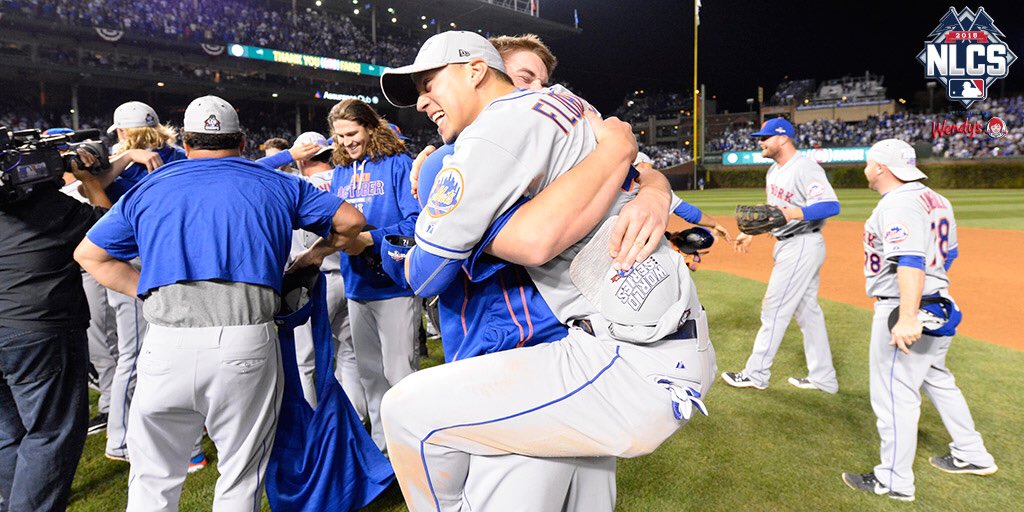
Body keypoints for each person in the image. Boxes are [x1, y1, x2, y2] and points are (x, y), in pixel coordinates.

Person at [376, 31, 716, 511]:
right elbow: (631, 164)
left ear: (477, 71)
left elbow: (440, 273)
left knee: (407, 412)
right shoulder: (575, 111)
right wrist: (625, 159)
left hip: (608, 359)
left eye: (429, 83)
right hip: (624, 347)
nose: (423, 101)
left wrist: (653, 193)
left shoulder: (482, 143)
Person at [75, 95, 365, 511]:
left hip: (167, 341)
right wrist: (314, 255)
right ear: (243, 142)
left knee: (153, 479)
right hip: (246, 338)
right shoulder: (275, 181)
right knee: (241, 474)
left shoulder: (154, 184)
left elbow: (89, 254)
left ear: (187, 144)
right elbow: (351, 221)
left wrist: (149, 288)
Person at [842, 139, 996, 502]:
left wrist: (908, 315)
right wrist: (933, 289)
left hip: (906, 306)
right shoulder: (935, 199)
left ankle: (893, 481)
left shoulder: (899, 202)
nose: (866, 169)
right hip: (936, 301)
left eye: (869, 163)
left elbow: (910, 258)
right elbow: (950, 254)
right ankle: (972, 453)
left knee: (895, 395)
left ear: (880, 167)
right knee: (938, 380)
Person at [1, 148, 110, 511]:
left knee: (8, 434)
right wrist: (90, 181)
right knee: (50, 433)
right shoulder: (53, 208)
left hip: (17, 327)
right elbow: (110, 232)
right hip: (38, 330)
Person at [327, 98, 421, 452]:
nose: (346, 142)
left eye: (352, 133)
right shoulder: (339, 171)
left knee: (400, 374)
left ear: (370, 128)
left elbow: (415, 223)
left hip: (394, 284)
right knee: (369, 375)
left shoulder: (398, 164)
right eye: (339, 137)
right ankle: (386, 454)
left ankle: (415, 449)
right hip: (355, 284)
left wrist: (369, 239)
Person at [722, 117, 841, 394]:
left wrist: (790, 213)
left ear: (783, 138)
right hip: (787, 244)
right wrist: (752, 231)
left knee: (774, 309)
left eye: (764, 137)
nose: (760, 142)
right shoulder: (773, 171)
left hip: (802, 243)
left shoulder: (805, 168)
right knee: (808, 313)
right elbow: (772, 212)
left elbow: (830, 205)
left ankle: (756, 373)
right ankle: (824, 378)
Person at [286, 131, 368, 420]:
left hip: (313, 279)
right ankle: (356, 419)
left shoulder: (296, 185)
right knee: (350, 354)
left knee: (305, 361)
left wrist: (286, 156)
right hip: (351, 276)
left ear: (302, 159)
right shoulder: (348, 180)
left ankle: (313, 424)